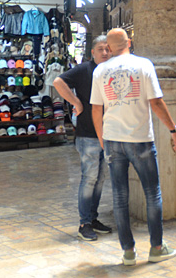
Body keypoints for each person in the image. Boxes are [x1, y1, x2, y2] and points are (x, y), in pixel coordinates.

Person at [91, 28, 176, 266]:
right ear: (129, 43)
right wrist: (173, 130)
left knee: (120, 197)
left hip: (112, 139)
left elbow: (96, 108)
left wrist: (103, 139)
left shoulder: (100, 70)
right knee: (152, 193)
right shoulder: (143, 65)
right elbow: (156, 102)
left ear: (108, 48)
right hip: (140, 139)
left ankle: (128, 253)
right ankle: (156, 247)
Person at [53, 35, 113, 241]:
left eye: (108, 49)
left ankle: (93, 218)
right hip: (88, 135)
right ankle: (84, 222)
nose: (105, 53)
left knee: (100, 179)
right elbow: (58, 82)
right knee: (89, 178)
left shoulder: (113, 70)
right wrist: (76, 103)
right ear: (92, 52)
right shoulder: (84, 70)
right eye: (100, 49)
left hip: (109, 134)